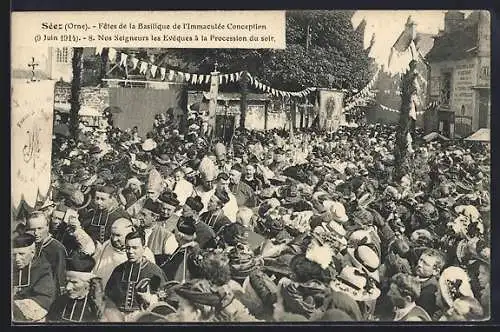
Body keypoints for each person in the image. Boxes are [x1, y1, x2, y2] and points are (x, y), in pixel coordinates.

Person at [105, 230, 168, 316]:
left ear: (144, 248)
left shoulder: (154, 271)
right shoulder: (118, 271)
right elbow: (107, 297)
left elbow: (164, 299)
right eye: (127, 247)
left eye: (135, 248)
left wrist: (151, 299)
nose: (130, 251)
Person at [92, 218, 155, 288]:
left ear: (130, 233)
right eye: (113, 234)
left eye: (118, 235)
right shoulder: (106, 245)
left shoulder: (144, 252)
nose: (114, 239)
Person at [48, 255, 106, 322]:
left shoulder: (99, 307)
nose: (67, 287)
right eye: (66, 281)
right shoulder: (59, 302)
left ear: (87, 283)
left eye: (74, 282)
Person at [12, 234, 56, 322]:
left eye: (21, 254)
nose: (17, 259)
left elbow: (44, 300)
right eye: (14, 254)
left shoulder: (43, 268)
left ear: (32, 252)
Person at [26, 212, 67, 297]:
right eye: (32, 229)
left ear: (48, 227)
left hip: (47, 295)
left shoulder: (57, 249)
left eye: (40, 228)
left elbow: (60, 279)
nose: (36, 233)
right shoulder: (25, 245)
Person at [414, 248, 446, 317]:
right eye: (420, 260)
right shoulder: (419, 277)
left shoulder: (429, 293)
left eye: (425, 264)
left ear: (436, 271)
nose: (419, 264)